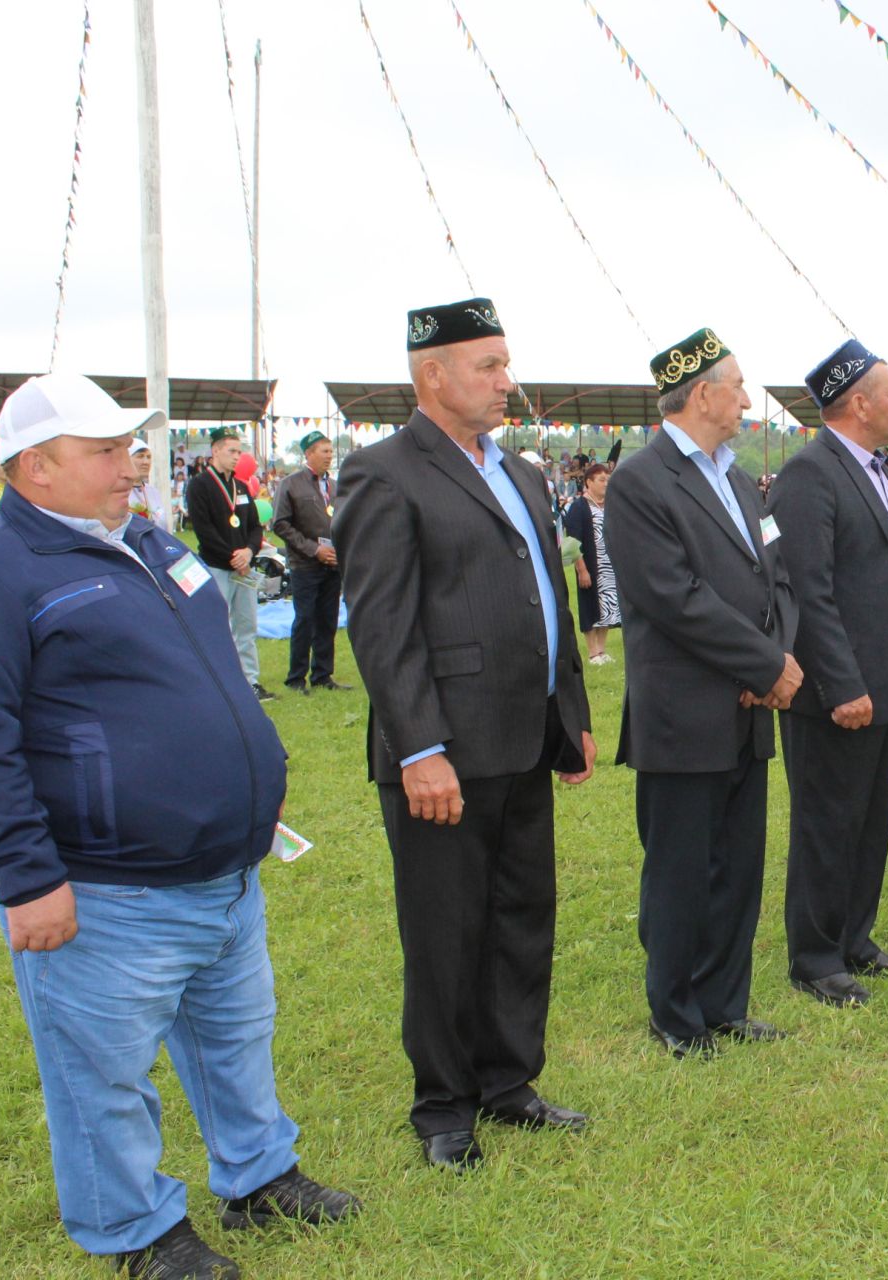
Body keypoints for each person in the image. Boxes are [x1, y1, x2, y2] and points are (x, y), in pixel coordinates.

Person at [0, 374, 355, 1277]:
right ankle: (135, 1230)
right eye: (106, 452)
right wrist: (27, 877)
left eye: (129, 448)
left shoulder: (150, 542)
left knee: (237, 1036)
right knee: (101, 1074)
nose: (131, 466)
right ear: (35, 467)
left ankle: (258, 1175)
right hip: (107, 884)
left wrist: (253, 773)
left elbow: (212, 672)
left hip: (223, 870)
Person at [335, 298, 597, 1170]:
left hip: (525, 738)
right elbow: (382, 627)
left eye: (504, 363)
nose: (505, 382)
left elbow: (551, 603)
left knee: (524, 917)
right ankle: (444, 1107)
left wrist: (575, 716)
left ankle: (508, 1081)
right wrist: (419, 748)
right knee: (447, 931)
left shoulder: (520, 472)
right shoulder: (385, 474)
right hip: (443, 752)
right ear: (432, 376)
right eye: (487, 366)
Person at [607, 328, 798, 1056]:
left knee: (738, 868)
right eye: (740, 386)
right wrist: (762, 666)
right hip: (684, 713)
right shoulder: (642, 480)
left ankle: (725, 1004)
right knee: (682, 869)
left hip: (749, 705)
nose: (749, 400)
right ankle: (676, 1016)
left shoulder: (740, 476)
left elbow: (775, 575)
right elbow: (672, 597)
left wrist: (774, 661)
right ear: (705, 393)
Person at [765, 339, 888, 1007]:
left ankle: (853, 938)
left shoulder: (872, 469)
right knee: (828, 823)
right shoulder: (811, 473)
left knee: (868, 820)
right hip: (843, 690)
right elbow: (810, 591)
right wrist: (842, 684)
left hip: (885, 681)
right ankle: (815, 956)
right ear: (858, 403)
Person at [186, 426, 272, 701]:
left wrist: (248, 551)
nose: (237, 457)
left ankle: (250, 681)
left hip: (244, 567)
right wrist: (232, 557)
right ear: (215, 451)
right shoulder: (200, 485)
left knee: (247, 625)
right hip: (217, 566)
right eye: (231, 451)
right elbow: (203, 530)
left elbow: (254, 527)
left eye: (239, 451)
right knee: (218, 626)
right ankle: (221, 683)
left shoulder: (242, 487)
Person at [270, 430, 350, 695]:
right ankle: (296, 678)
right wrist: (313, 550)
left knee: (327, 620)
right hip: (305, 563)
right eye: (324, 451)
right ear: (308, 454)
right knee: (304, 619)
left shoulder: (336, 486)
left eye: (331, 451)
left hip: (333, 563)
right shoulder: (291, 484)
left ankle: (322, 675)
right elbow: (280, 524)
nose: (329, 456)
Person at [560, 463, 621, 664]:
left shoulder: (609, 505)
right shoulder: (579, 507)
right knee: (589, 606)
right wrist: (582, 570)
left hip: (609, 565)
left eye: (607, 480)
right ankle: (593, 652)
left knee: (607, 608)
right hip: (590, 565)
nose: (606, 484)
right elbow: (572, 543)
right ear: (588, 482)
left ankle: (602, 650)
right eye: (601, 480)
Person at [127, 437, 169, 531]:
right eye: (140, 456)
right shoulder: (118, 492)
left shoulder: (153, 492)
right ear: (127, 459)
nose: (146, 462)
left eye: (148, 457)